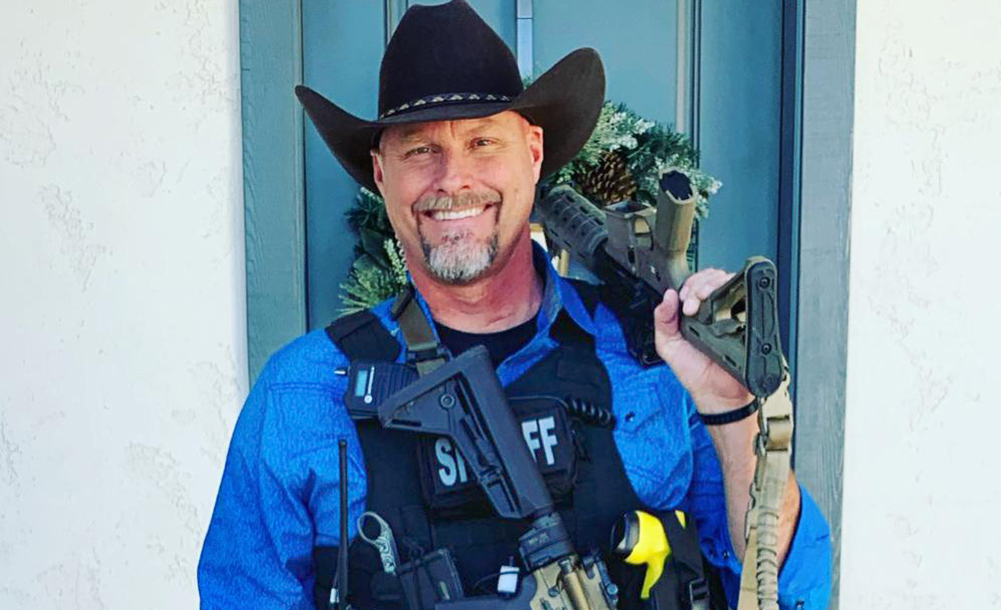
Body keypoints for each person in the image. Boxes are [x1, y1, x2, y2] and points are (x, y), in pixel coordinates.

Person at [198, 1, 831, 609]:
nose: (453, 180)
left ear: (531, 153)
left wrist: (732, 412)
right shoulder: (299, 394)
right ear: (382, 174)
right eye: (420, 149)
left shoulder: (659, 362)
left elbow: (784, 588)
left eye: (482, 143)